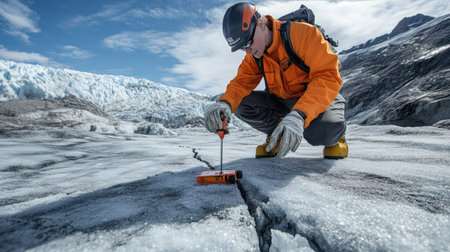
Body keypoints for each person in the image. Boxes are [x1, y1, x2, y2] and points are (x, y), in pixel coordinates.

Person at [204, 2, 348, 159]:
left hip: (316, 100)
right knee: (239, 103)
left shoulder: (302, 34)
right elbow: (241, 83)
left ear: (260, 24)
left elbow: (327, 76)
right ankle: (277, 137)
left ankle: (338, 137)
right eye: (241, 48)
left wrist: (300, 114)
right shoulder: (255, 56)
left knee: (324, 132)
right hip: (282, 102)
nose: (247, 50)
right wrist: (225, 103)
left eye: (247, 42)